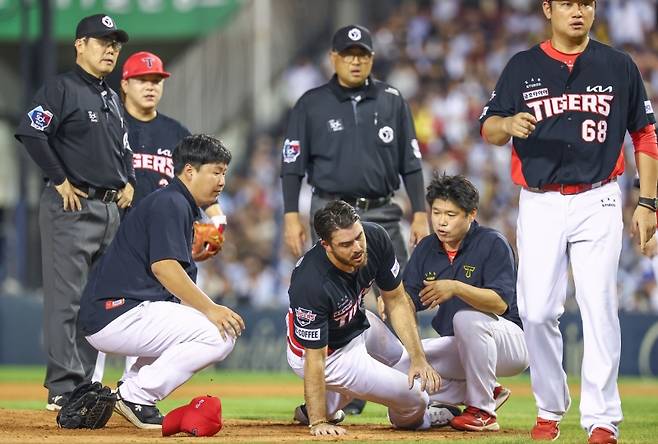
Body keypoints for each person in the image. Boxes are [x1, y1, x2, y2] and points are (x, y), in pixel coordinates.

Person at [480, 1, 658, 442]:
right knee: (537, 312)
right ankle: (550, 406)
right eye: (567, 3)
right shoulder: (523, 66)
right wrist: (506, 122)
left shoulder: (618, 65)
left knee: (599, 306)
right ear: (548, 9)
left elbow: (645, 134)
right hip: (540, 202)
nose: (577, 11)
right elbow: (488, 128)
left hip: (598, 196)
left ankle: (601, 419)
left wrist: (648, 202)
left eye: (585, 3)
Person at [281, 23, 429, 415]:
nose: (356, 60)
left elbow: (411, 163)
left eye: (362, 54)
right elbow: (292, 164)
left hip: (381, 208)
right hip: (329, 211)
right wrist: (290, 213)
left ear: (372, 58)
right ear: (334, 58)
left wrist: (420, 211)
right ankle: (335, 390)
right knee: (329, 295)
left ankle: (411, 369)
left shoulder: (392, 99)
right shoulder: (311, 103)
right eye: (348, 54)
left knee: (396, 296)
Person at [79, 134, 244, 429]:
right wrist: (210, 308)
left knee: (193, 326)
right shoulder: (172, 203)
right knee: (219, 334)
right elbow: (165, 269)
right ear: (190, 171)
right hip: (118, 311)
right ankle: (135, 394)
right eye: (216, 171)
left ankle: (131, 388)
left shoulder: (176, 202)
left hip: (119, 310)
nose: (222, 180)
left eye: (224, 173)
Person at [14, 13, 135, 411]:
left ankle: (83, 383)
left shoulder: (112, 97)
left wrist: (129, 179)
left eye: (115, 42)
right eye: (102, 41)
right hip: (73, 205)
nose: (111, 48)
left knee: (95, 302)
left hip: (109, 209)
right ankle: (63, 386)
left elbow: (123, 148)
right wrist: (58, 178)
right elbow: (32, 131)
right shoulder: (60, 88)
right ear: (80, 45)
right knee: (67, 301)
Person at [286, 200, 451, 437]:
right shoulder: (310, 283)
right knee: (416, 397)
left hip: (355, 323)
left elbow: (395, 299)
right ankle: (418, 416)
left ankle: (329, 405)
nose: (357, 247)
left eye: (358, 236)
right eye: (345, 244)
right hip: (327, 355)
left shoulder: (374, 237)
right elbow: (315, 358)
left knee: (405, 362)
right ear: (327, 245)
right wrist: (318, 421)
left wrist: (418, 358)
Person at [395, 174, 529, 432]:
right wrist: (391, 301)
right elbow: (407, 298)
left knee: (466, 317)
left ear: (471, 214)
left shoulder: (492, 242)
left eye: (451, 214)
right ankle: (486, 391)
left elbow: (500, 303)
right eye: (436, 212)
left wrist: (455, 287)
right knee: (403, 366)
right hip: (462, 345)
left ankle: (483, 411)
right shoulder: (427, 247)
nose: (441, 221)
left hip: (509, 342)